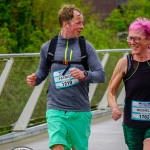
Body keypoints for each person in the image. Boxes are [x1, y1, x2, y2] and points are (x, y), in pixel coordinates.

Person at [27, 4, 106, 150]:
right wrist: (35, 78)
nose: (82, 26)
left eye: (82, 22)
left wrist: (85, 74)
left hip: (80, 111)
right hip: (56, 108)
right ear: (65, 23)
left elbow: (101, 75)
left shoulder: (86, 47)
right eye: (78, 23)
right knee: (57, 145)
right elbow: (43, 70)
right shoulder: (48, 47)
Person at [107, 17, 150, 150]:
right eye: (130, 38)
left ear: (148, 39)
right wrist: (114, 108)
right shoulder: (125, 63)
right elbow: (111, 91)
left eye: (136, 38)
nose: (132, 42)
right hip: (132, 124)